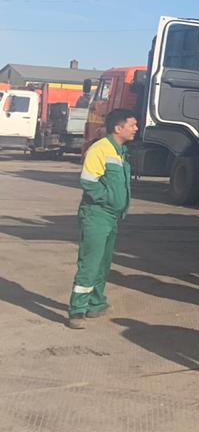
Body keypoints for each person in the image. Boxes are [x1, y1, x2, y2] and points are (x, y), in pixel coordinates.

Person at [68, 108, 138, 329]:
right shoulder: (100, 149)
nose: (136, 129)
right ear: (118, 128)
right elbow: (89, 181)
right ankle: (77, 311)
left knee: (103, 263)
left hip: (111, 216)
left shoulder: (120, 151)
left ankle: (96, 304)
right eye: (132, 125)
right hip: (97, 214)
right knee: (90, 263)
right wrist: (108, 200)